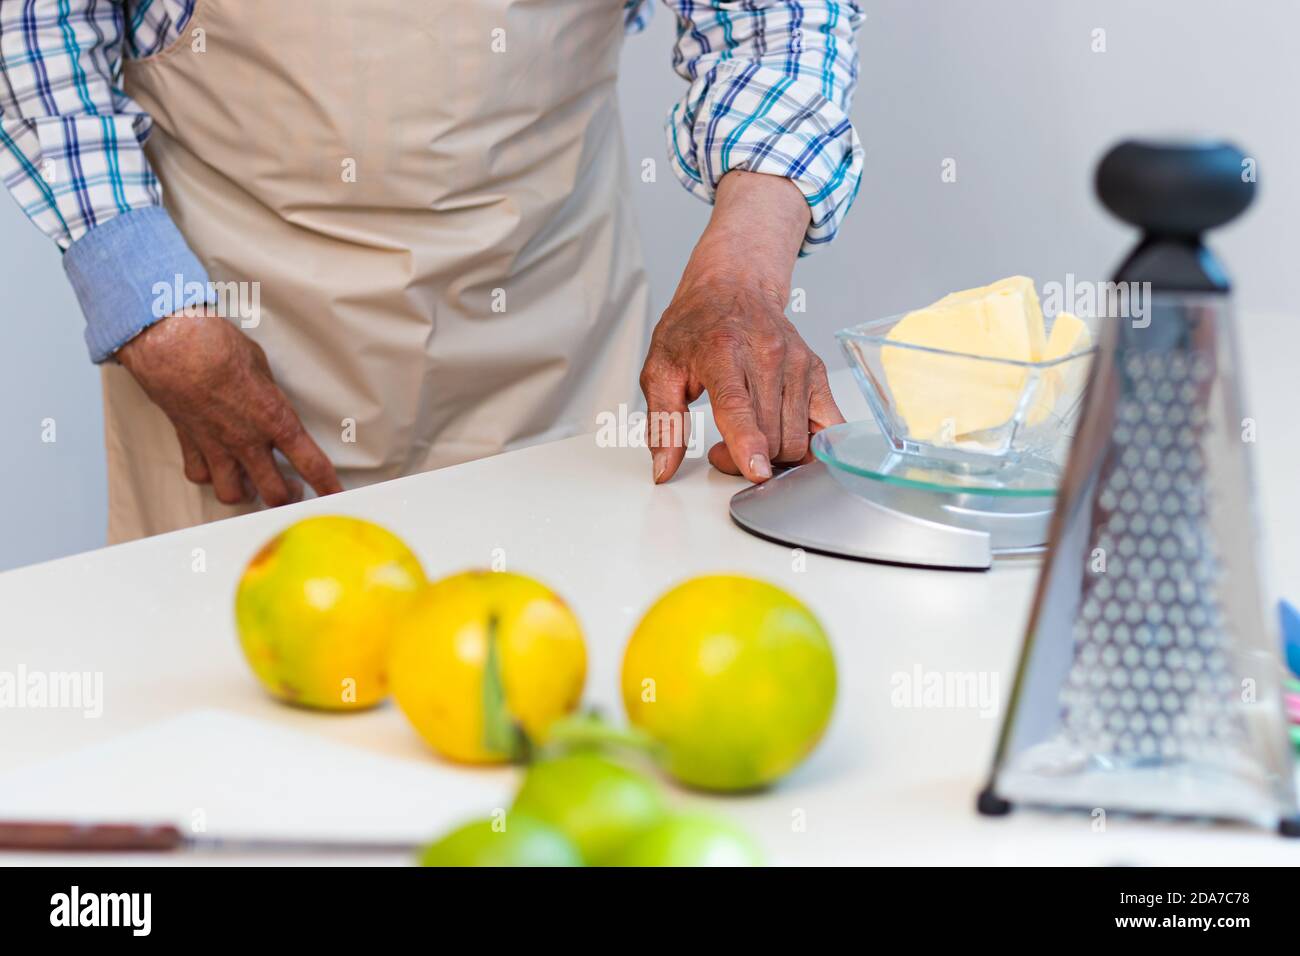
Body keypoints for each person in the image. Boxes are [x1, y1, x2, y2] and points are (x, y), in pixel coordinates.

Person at [0, 0, 863, 542]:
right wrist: (149, 305)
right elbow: (34, 27)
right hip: (230, 343)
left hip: (550, 329)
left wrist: (743, 268)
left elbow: (774, 23)